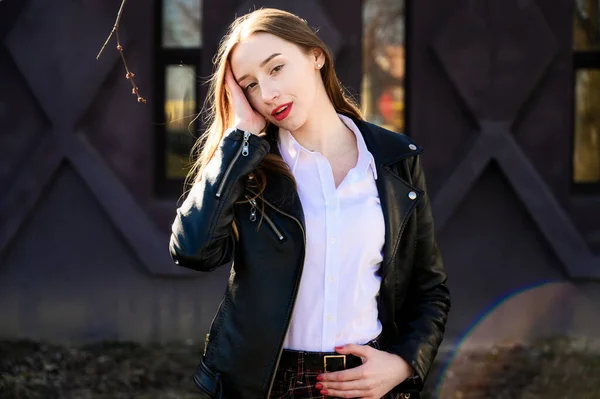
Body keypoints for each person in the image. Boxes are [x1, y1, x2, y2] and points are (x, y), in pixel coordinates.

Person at [169, 8, 450, 399]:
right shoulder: (251, 169)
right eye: (249, 85)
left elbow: (429, 289)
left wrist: (403, 364)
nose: (267, 95)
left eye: (276, 68)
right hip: (267, 387)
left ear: (315, 56)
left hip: (368, 384)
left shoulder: (394, 160)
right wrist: (238, 142)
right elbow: (193, 250)